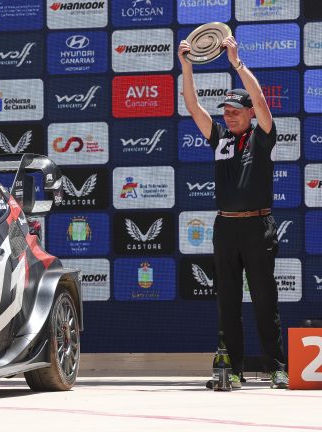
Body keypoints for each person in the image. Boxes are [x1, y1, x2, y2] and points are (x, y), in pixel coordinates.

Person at [178, 35, 288, 389]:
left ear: (250, 113)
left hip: (258, 226)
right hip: (225, 229)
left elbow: (260, 98)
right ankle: (233, 370)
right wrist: (186, 65)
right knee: (227, 303)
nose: (228, 114)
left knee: (265, 300)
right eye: (225, 110)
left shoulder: (263, 135)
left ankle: (277, 368)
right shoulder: (220, 138)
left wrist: (236, 62)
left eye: (235, 110)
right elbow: (192, 106)